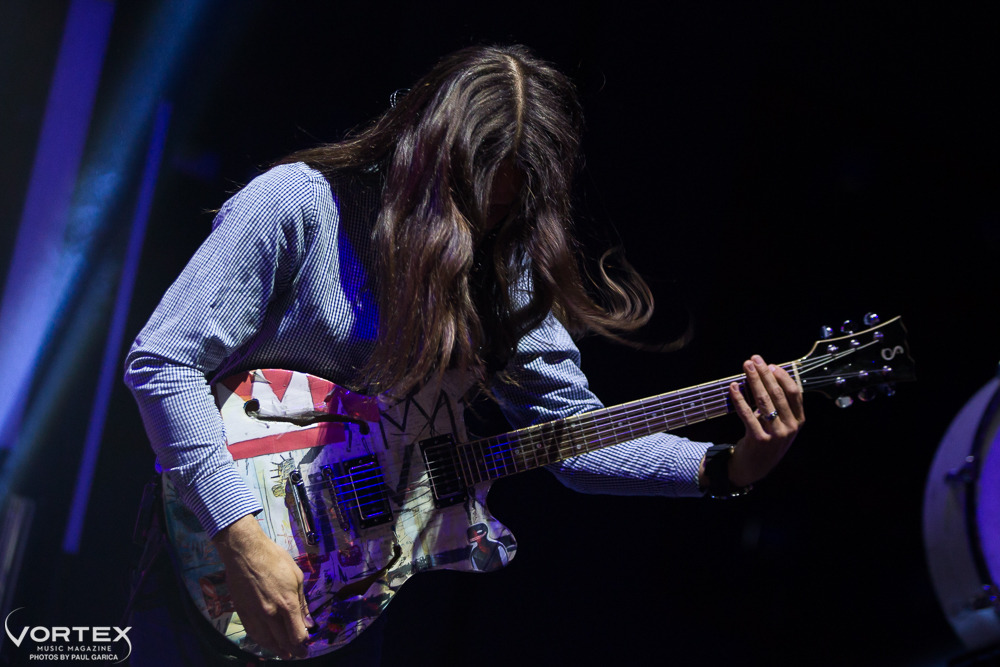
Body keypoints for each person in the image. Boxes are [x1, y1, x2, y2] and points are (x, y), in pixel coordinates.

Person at [124, 44, 804, 664]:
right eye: (465, 202)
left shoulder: (502, 269)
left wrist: (725, 466)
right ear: (419, 155)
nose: (475, 228)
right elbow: (163, 361)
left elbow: (572, 438)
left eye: (500, 212)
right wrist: (240, 536)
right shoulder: (299, 205)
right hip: (211, 563)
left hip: (351, 600)